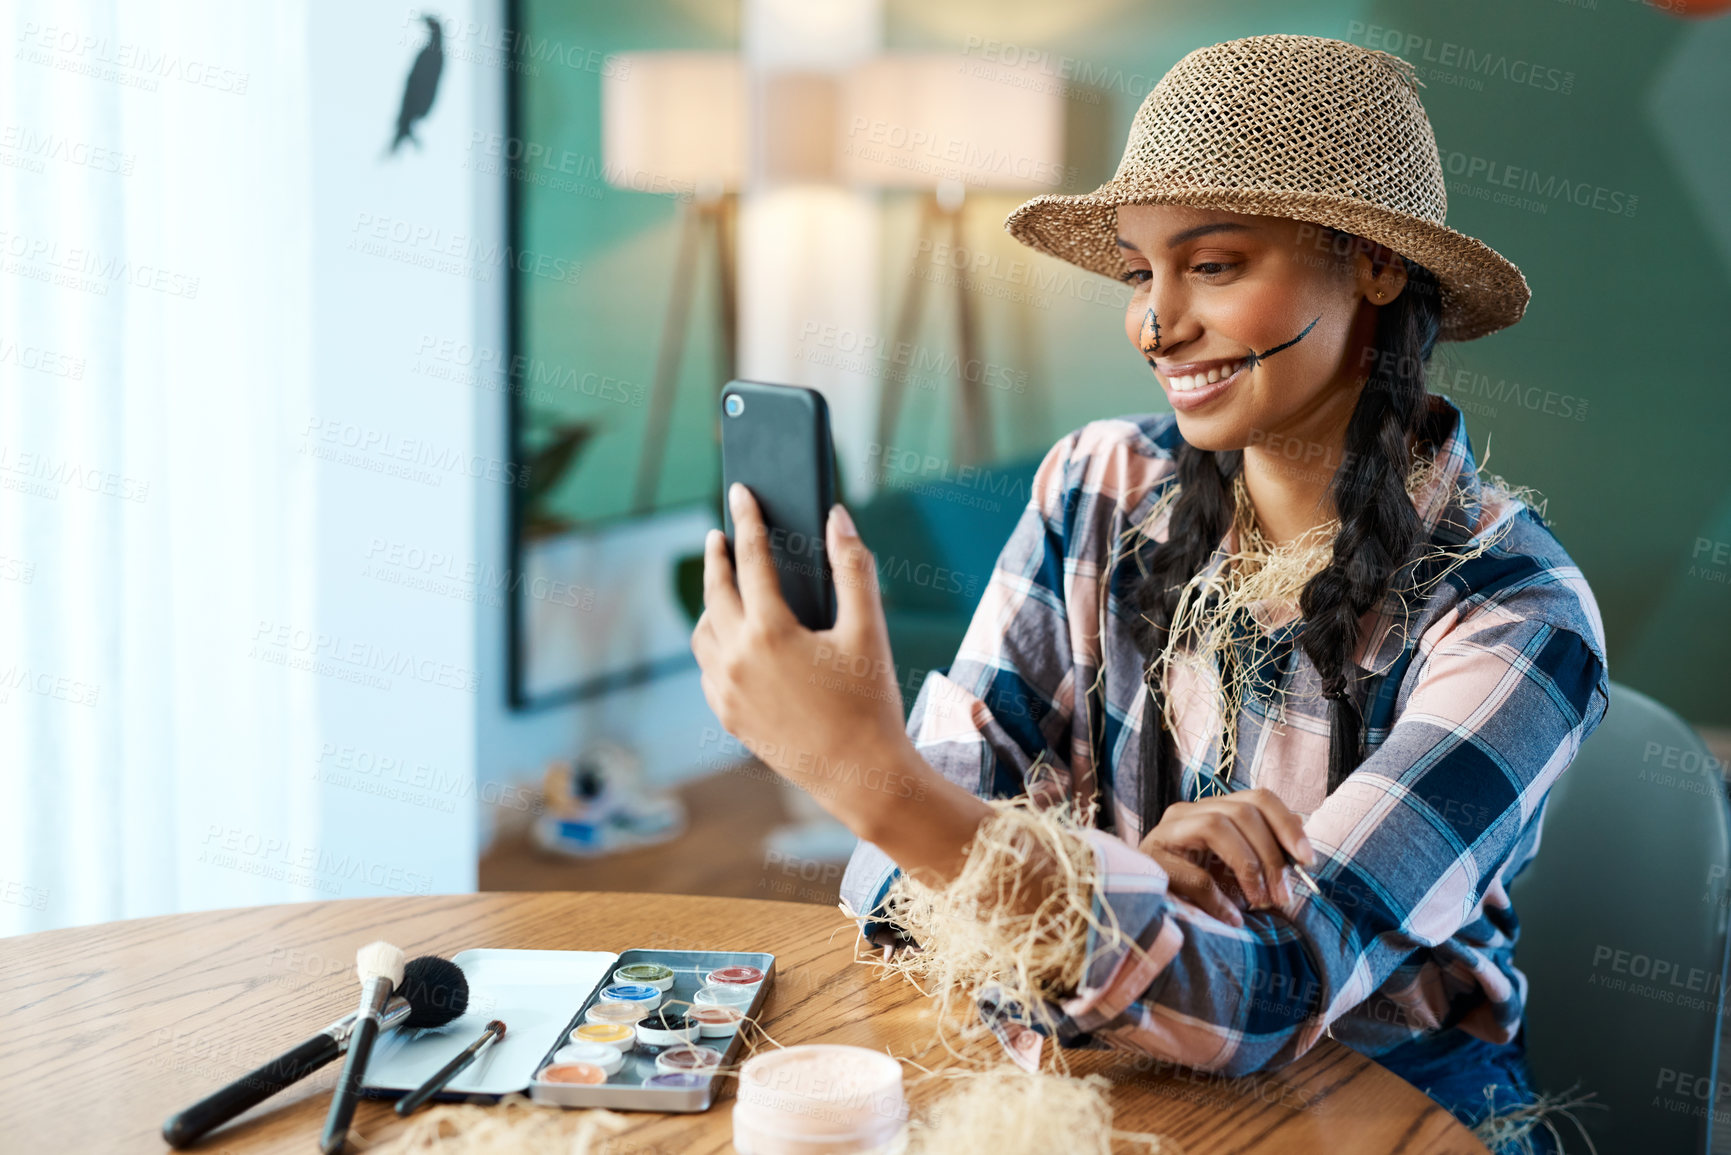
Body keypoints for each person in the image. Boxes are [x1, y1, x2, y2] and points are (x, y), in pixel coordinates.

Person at [691, 34, 1607, 1155]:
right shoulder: (1097, 484)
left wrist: (870, 777)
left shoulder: (1517, 615)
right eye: (1139, 270)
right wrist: (1125, 873)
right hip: (1120, 1070)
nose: (1154, 322)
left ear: (1372, 265)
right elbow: (891, 892)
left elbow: (1273, 994)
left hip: (1399, 1103)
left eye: (1213, 266)